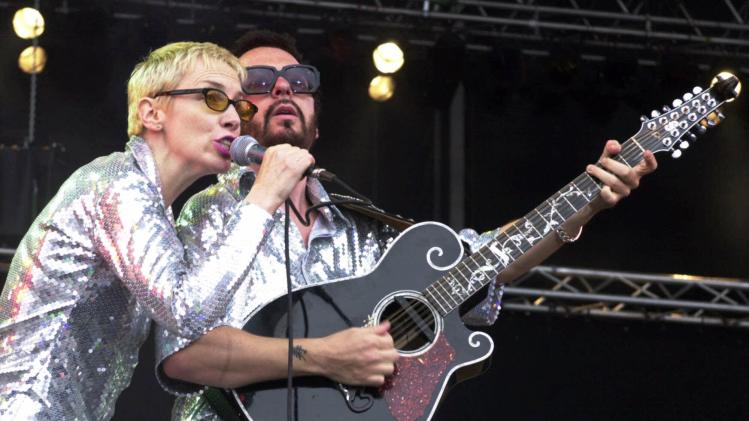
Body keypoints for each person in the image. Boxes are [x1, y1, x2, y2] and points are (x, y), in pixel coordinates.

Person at [155, 31, 658, 420]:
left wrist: (588, 203)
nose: (285, 88)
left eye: (301, 82)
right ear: (233, 117)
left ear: (316, 121)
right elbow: (186, 353)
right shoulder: (209, 213)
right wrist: (327, 357)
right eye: (260, 82)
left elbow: (485, 261)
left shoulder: (360, 221)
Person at [0, 41, 270, 420]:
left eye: (240, 105)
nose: (233, 119)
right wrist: (264, 199)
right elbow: (186, 310)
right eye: (212, 98)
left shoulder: (154, 208)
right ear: (151, 112)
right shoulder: (115, 183)